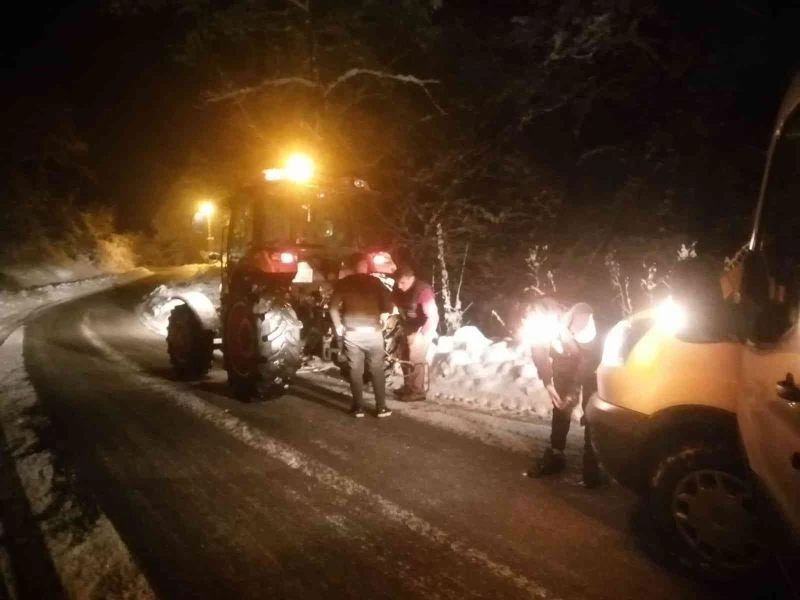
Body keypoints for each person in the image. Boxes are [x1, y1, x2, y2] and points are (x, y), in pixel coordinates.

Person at [523, 297, 608, 488]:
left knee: (591, 411)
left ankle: (592, 462)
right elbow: (538, 350)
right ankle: (556, 454)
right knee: (561, 405)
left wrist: (574, 388)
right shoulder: (544, 323)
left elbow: (587, 363)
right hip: (565, 364)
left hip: (592, 367)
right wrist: (547, 382)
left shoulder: (589, 329)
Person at [329, 253, 395, 418]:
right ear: (366, 266)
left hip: (353, 334)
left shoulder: (344, 283)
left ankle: (358, 407)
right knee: (377, 370)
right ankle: (381, 408)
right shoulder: (376, 282)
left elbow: (332, 308)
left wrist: (339, 328)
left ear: (352, 267)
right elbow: (388, 306)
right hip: (373, 333)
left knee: (355, 370)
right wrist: (384, 319)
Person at [392, 264, 439, 401]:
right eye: (398, 282)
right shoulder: (400, 289)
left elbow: (432, 316)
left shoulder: (423, 290)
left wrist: (422, 334)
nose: (400, 286)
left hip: (423, 328)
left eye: (402, 282)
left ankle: (417, 391)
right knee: (404, 357)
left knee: (415, 358)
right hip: (408, 327)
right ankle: (408, 386)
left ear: (411, 278)